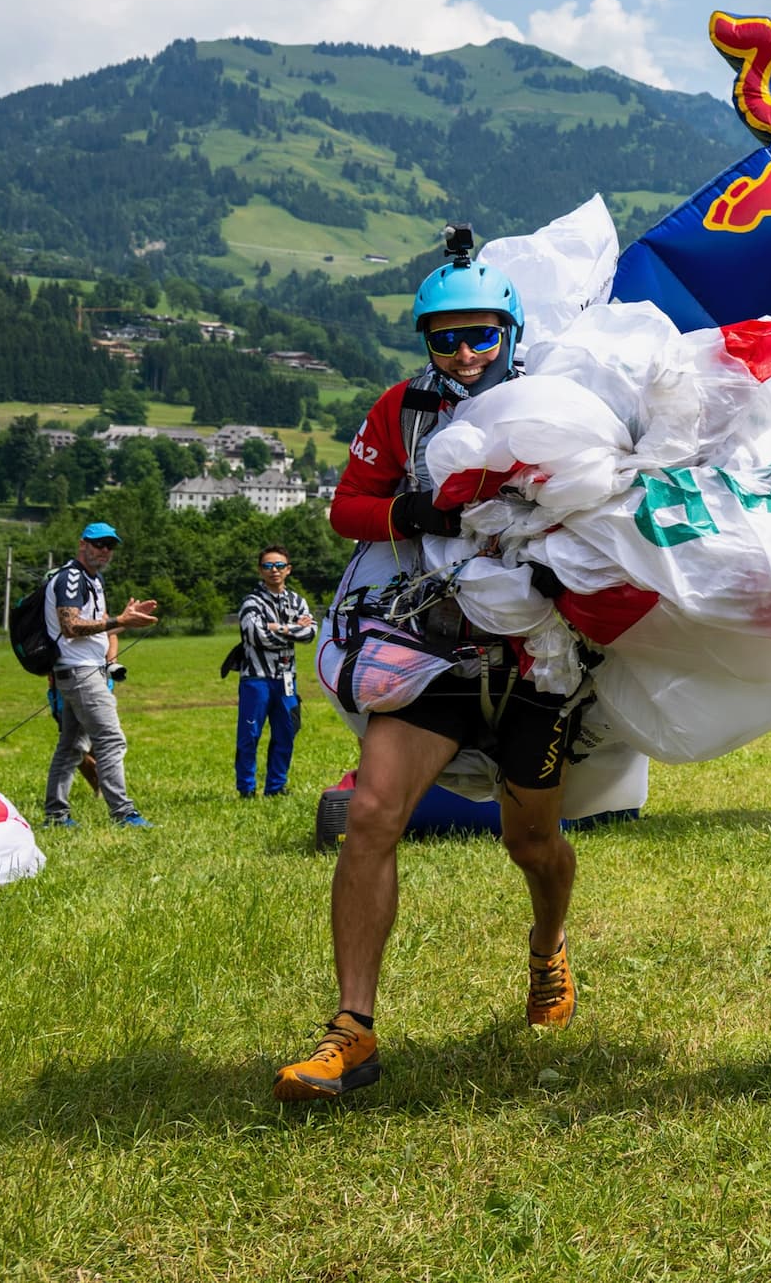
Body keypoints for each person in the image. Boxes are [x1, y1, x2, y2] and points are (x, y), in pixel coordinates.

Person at [275, 238, 587, 1103]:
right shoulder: (403, 411)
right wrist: (414, 510)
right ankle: (352, 1030)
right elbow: (347, 509)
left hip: (536, 659)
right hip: (434, 646)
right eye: (446, 340)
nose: (465, 355)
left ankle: (548, 949)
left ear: (511, 332)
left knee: (531, 843)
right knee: (372, 814)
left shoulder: (559, 397)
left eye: (481, 336)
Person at [38, 522, 157, 830]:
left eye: (110, 546)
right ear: (83, 544)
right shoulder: (72, 578)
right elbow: (71, 626)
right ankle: (123, 814)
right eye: (98, 544)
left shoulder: (94, 579)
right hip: (80, 672)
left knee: (71, 747)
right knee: (110, 740)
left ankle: (56, 816)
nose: (104, 550)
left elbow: (98, 627)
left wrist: (128, 620)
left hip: (81, 670)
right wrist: (118, 620)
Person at [233, 544, 315, 797]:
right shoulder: (251, 602)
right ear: (260, 570)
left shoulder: (297, 601)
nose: (274, 570)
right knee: (249, 734)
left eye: (279, 565)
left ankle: (276, 787)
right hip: (256, 679)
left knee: (286, 732)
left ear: (288, 569)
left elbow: (310, 632)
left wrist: (277, 627)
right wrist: (293, 629)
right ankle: (246, 789)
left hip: (287, 679)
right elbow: (256, 635)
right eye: (268, 566)